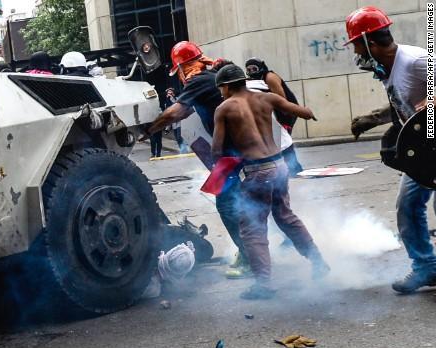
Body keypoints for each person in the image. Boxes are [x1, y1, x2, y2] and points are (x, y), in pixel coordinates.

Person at [212, 64, 330, 299]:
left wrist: (231, 158)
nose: (221, 92)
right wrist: (309, 112)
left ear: (225, 86)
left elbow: (217, 150)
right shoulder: (266, 99)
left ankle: (263, 285)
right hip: (280, 166)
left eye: (221, 88)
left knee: (253, 229)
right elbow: (302, 111)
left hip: (257, 172)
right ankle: (318, 262)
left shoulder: (224, 108)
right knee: (286, 217)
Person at [139, 41, 251, 278]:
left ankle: (250, 256)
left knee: (228, 204)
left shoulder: (198, 80)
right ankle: (251, 250)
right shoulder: (209, 77)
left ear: (181, 67)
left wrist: (149, 130)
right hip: (238, 149)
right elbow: (190, 109)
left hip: (232, 152)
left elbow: (178, 111)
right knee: (240, 202)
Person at [344, 6, 434, 293]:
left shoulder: (415, 60)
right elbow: (401, 102)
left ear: (371, 42)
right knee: (407, 206)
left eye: (357, 44)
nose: (356, 52)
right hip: (424, 149)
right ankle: (426, 268)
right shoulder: (388, 69)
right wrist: (371, 119)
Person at [245, 57, 303, 177]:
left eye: (254, 69)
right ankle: (287, 167)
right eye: (248, 69)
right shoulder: (254, 80)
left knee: (283, 140)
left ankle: (293, 168)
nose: (251, 72)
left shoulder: (269, 77)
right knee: (280, 140)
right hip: (275, 112)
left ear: (261, 67)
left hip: (285, 112)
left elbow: (281, 99)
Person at [164, 88, 187, 153]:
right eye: (168, 93)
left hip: (180, 121)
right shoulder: (167, 102)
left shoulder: (177, 99)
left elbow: (177, 104)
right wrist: (167, 128)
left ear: (173, 93)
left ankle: (184, 149)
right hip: (173, 122)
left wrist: (171, 98)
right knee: (177, 138)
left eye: (170, 93)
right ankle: (182, 149)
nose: (169, 94)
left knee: (180, 137)